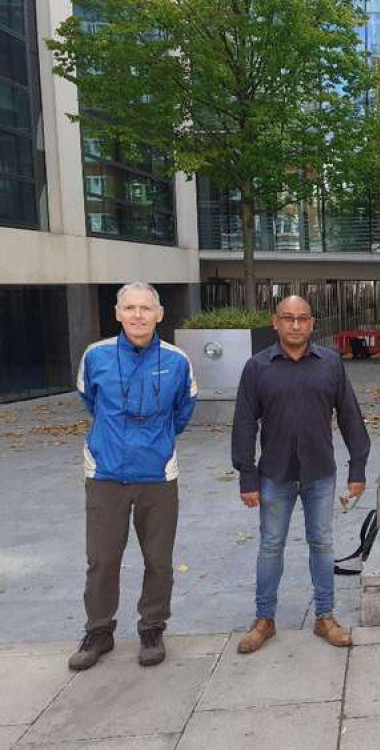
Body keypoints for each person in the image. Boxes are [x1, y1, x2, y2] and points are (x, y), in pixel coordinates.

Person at [69, 282, 197, 670]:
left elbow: (184, 410)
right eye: (130, 308)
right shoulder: (96, 356)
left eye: (146, 308)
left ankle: (152, 628)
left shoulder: (177, 360)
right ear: (118, 313)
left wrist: (153, 442)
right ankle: (98, 631)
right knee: (102, 559)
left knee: (158, 559)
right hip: (106, 472)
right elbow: (89, 400)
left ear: (160, 314)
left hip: (157, 474)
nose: (138, 315)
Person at [232, 295, 370, 652]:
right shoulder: (257, 367)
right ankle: (264, 619)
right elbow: (244, 424)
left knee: (322, 544)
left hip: (320, 474)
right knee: (270, 546)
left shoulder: (331, 364)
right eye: (288, 318)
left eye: (302, 318)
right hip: (274, 475)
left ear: (312, 323)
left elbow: (351, 416)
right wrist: (247, 476)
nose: (295, 325)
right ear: (275, 322)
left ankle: (325, 616)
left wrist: (358, 467)